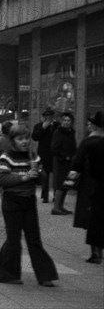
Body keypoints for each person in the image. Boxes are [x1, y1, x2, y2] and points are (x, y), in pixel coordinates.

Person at [0, 124, 58, 287]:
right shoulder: (6, 157)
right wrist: (24, 177)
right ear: (13, 141)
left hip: (29, 201)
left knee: (34, 239)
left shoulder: (33, 156)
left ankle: (44, 275)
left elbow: (42, 181)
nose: (24, 142)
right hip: (12, 201)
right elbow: (2, 180)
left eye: (26, 138)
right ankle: (7, 274)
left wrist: (39, 173)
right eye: (20, 138)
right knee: (13, 240)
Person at [69, 111, 104, 264]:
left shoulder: (89, 143)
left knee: (94, 218)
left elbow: (77, 163)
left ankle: (96, 252)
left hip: (92, 183)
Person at [50, 112, 77, 215]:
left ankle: (61, 206)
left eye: (68, 120)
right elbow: (54, 148)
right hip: (61, 162)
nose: (66, 122)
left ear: (72, 122)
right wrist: (65, 156)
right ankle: (56, 208)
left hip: (69, 162)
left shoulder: (71, 132)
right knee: (60, 184)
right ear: (61, 121)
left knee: (66, 184)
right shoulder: (58, 132)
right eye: (64, 120)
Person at [31, 107, 59, 203]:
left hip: (55, 153)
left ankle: (56, 195)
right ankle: (45, 195)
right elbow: (35, 137)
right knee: (44, 175)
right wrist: (43, 127)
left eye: (50, 116)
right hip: (44, 153)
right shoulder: (39, 126)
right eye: (46, 116)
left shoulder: (57, 125)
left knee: (56, 175)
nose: (48, 118)